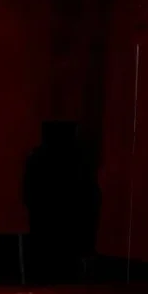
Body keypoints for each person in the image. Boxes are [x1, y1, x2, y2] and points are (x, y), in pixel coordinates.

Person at [21, 121, 100, 283]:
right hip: (67, 226)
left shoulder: (37, 158)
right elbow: (90, 194)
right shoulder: (78, 158)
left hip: (48, 225)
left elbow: (29, 193)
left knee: (50, 266)